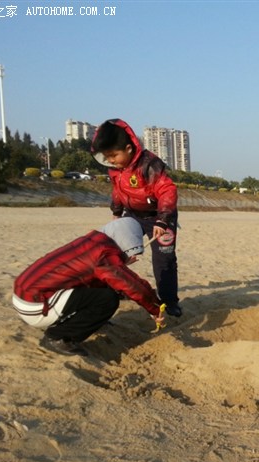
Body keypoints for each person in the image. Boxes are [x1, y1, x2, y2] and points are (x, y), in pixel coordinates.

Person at [13, 217, 165, 356]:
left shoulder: (91, 242)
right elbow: (132, 285)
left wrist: (120, 262)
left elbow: (98, 276)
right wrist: (155, 308)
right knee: (108, 300)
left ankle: (91, 321)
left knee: (105, 287)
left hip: (24, 294)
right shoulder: (103, 255)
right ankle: (58, 337)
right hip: (35, 305)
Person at [90, 118, 182, 317]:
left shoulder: (149, 164)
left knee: (164, 259)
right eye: (107, 157)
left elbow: (167, 190)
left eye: (114, 155)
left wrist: (163, 220)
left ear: (129, 148)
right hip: (132, 215)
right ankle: (119, 288)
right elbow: (118, 191)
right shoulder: (115, 169)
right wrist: (116, 213)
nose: (110, 160)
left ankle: (169, 301)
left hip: (160, 216)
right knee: (118, 252)